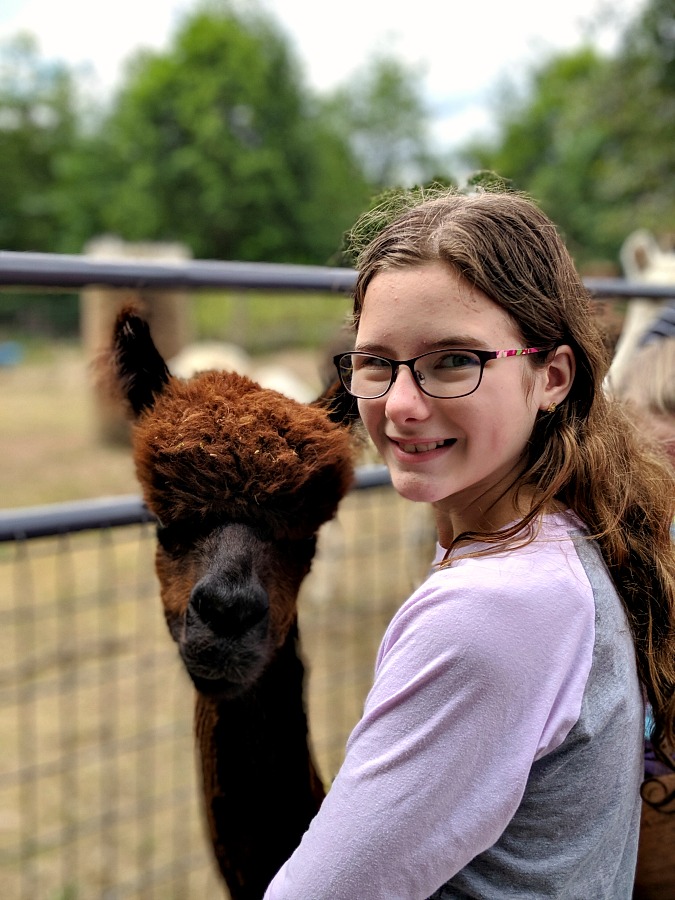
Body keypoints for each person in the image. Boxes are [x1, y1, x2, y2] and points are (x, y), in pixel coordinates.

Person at [263, 187, 675, 899]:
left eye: (452, 361)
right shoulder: (567, 534)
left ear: (550, 377)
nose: (398, 404)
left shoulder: (494, 608)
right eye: (374, 362)